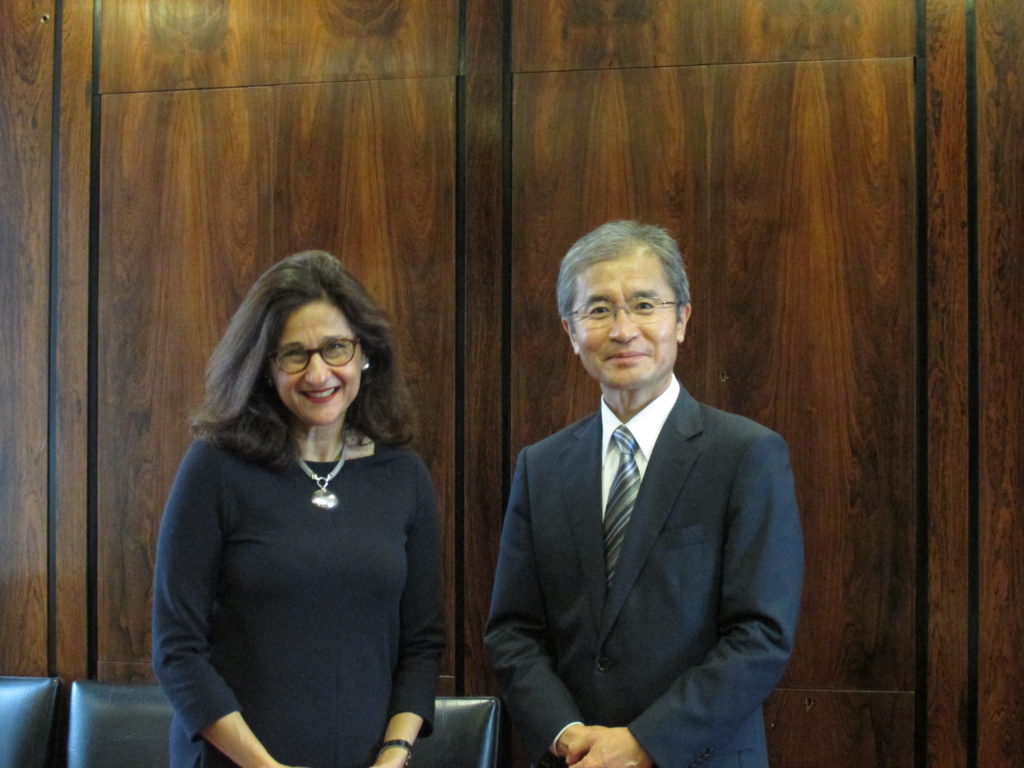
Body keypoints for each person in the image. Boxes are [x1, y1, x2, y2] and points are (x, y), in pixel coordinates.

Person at [485, 221, 803, 768]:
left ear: (681, 319)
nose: (623, 329)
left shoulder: (746, 455)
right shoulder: (542, 467)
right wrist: (567, 734)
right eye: (599, 309)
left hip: (701, 756)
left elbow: (760, 635)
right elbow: (513, 632)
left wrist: (643, 743)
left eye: (644, 304)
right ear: (570, 330)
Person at [153, 250, 444, 768]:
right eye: (294, 354)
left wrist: (393, 756)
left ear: (364, 354)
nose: (319, 373)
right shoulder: (215, 469)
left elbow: (422, 645)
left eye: (336, 348)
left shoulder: (404, 477)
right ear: (265, 367)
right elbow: (178, 651)